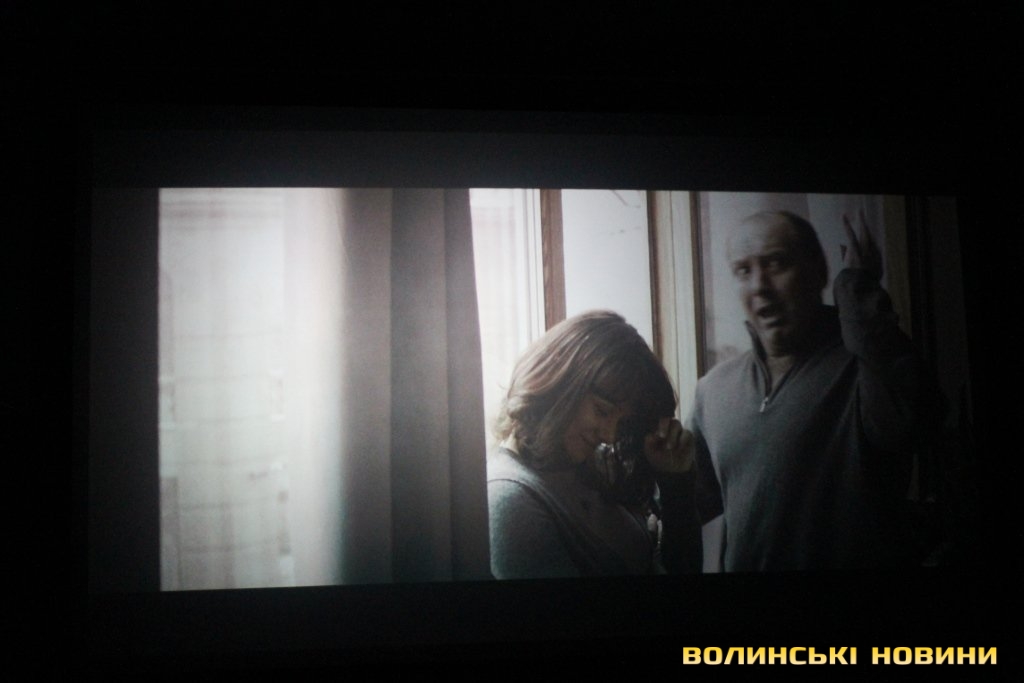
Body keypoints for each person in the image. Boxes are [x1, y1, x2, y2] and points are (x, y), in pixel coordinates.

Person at [688, 209, 937, 571]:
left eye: (776, 263)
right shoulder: (712, 391)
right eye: (743, 270)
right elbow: (695, 510)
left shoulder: (864, 366)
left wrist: (857, 290)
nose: (759, 285)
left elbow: (909, 422)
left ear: (818, 271)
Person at [487, 311, 700, 578]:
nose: (610, 436)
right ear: (560, 385)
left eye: (622, 423)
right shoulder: (510, 498)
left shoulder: (591, 468)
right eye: (602, 411)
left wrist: (676, 483)